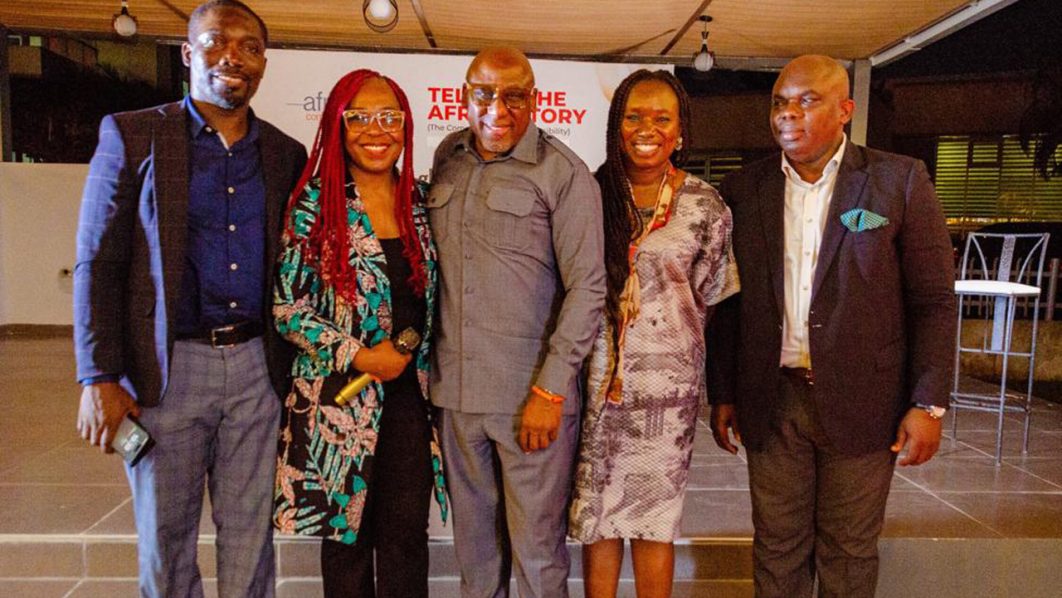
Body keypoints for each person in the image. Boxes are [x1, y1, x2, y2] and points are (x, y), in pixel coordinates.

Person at [72, 1, 307, 596]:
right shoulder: (133, 134)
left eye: (249, 47)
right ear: (187, 53)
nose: (233, 57)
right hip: (166, 371)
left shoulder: (285, 153)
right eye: (216, 41)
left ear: (263, 63)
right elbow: (98, 261)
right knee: (166, 541)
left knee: (251, 539)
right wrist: (98, 375)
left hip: (258, 369)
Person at [706, 54, 956, 598]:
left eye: (806, 101)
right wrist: (722, 391)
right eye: (779, 103)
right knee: (777, 547)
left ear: (845, 110)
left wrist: (929, 402)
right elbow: (729, 302)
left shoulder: (897, 180)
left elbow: (933, 300)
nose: (787, 114)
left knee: (848, 551)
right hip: (772, 399)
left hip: (866, 399)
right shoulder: (743, 189)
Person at [427, 46, 606, 598]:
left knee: (537, 556)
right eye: (484, 94)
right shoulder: (448, 157)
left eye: (514, 96)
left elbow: (588, 289)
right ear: (465, 96)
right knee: (476, 557)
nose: (497, 109)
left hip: (530, 402)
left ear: (534, 99)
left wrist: (550, 391)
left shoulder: (563, 173)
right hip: (457, 398)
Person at [272, 69, 446, 598]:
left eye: (390, 116)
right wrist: (360, 355)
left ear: (406, 125)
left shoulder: (421, 201)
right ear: (338, 125)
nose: (377, 129)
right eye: (360, 117)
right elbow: (288, 308)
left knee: (405, 540)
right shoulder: (314, 205)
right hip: (337, 401)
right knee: (346, 544)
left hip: (410, 400)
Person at [568, 70, 739, 598]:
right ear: (615, 126)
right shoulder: (588, 194)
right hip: (594, 386)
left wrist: (721, 391)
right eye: (634, 116)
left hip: (668, 394)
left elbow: (715, 300)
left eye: (662, 118)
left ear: (680, 131)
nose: (647, 128)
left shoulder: (705, 205)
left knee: (655, 521)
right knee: (599, 519)